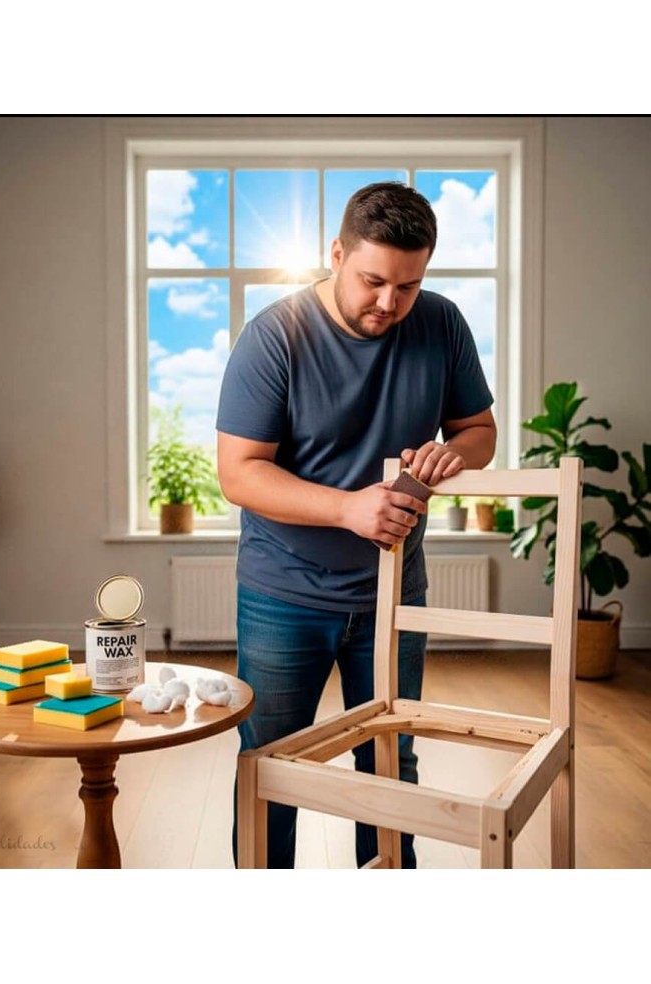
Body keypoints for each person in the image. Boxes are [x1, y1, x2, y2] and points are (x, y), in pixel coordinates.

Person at [216, 181, 496, 868]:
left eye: (408, 286)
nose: (389, 304)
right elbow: (239, 473)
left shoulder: (443, 323)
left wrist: (448, 453)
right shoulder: (274, 337)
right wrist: (348, 507)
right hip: (284, 593)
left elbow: (480, 432)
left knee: (390, 762)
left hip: (393, 593)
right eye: (373, 281)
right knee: (270, 765)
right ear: (336, 253)